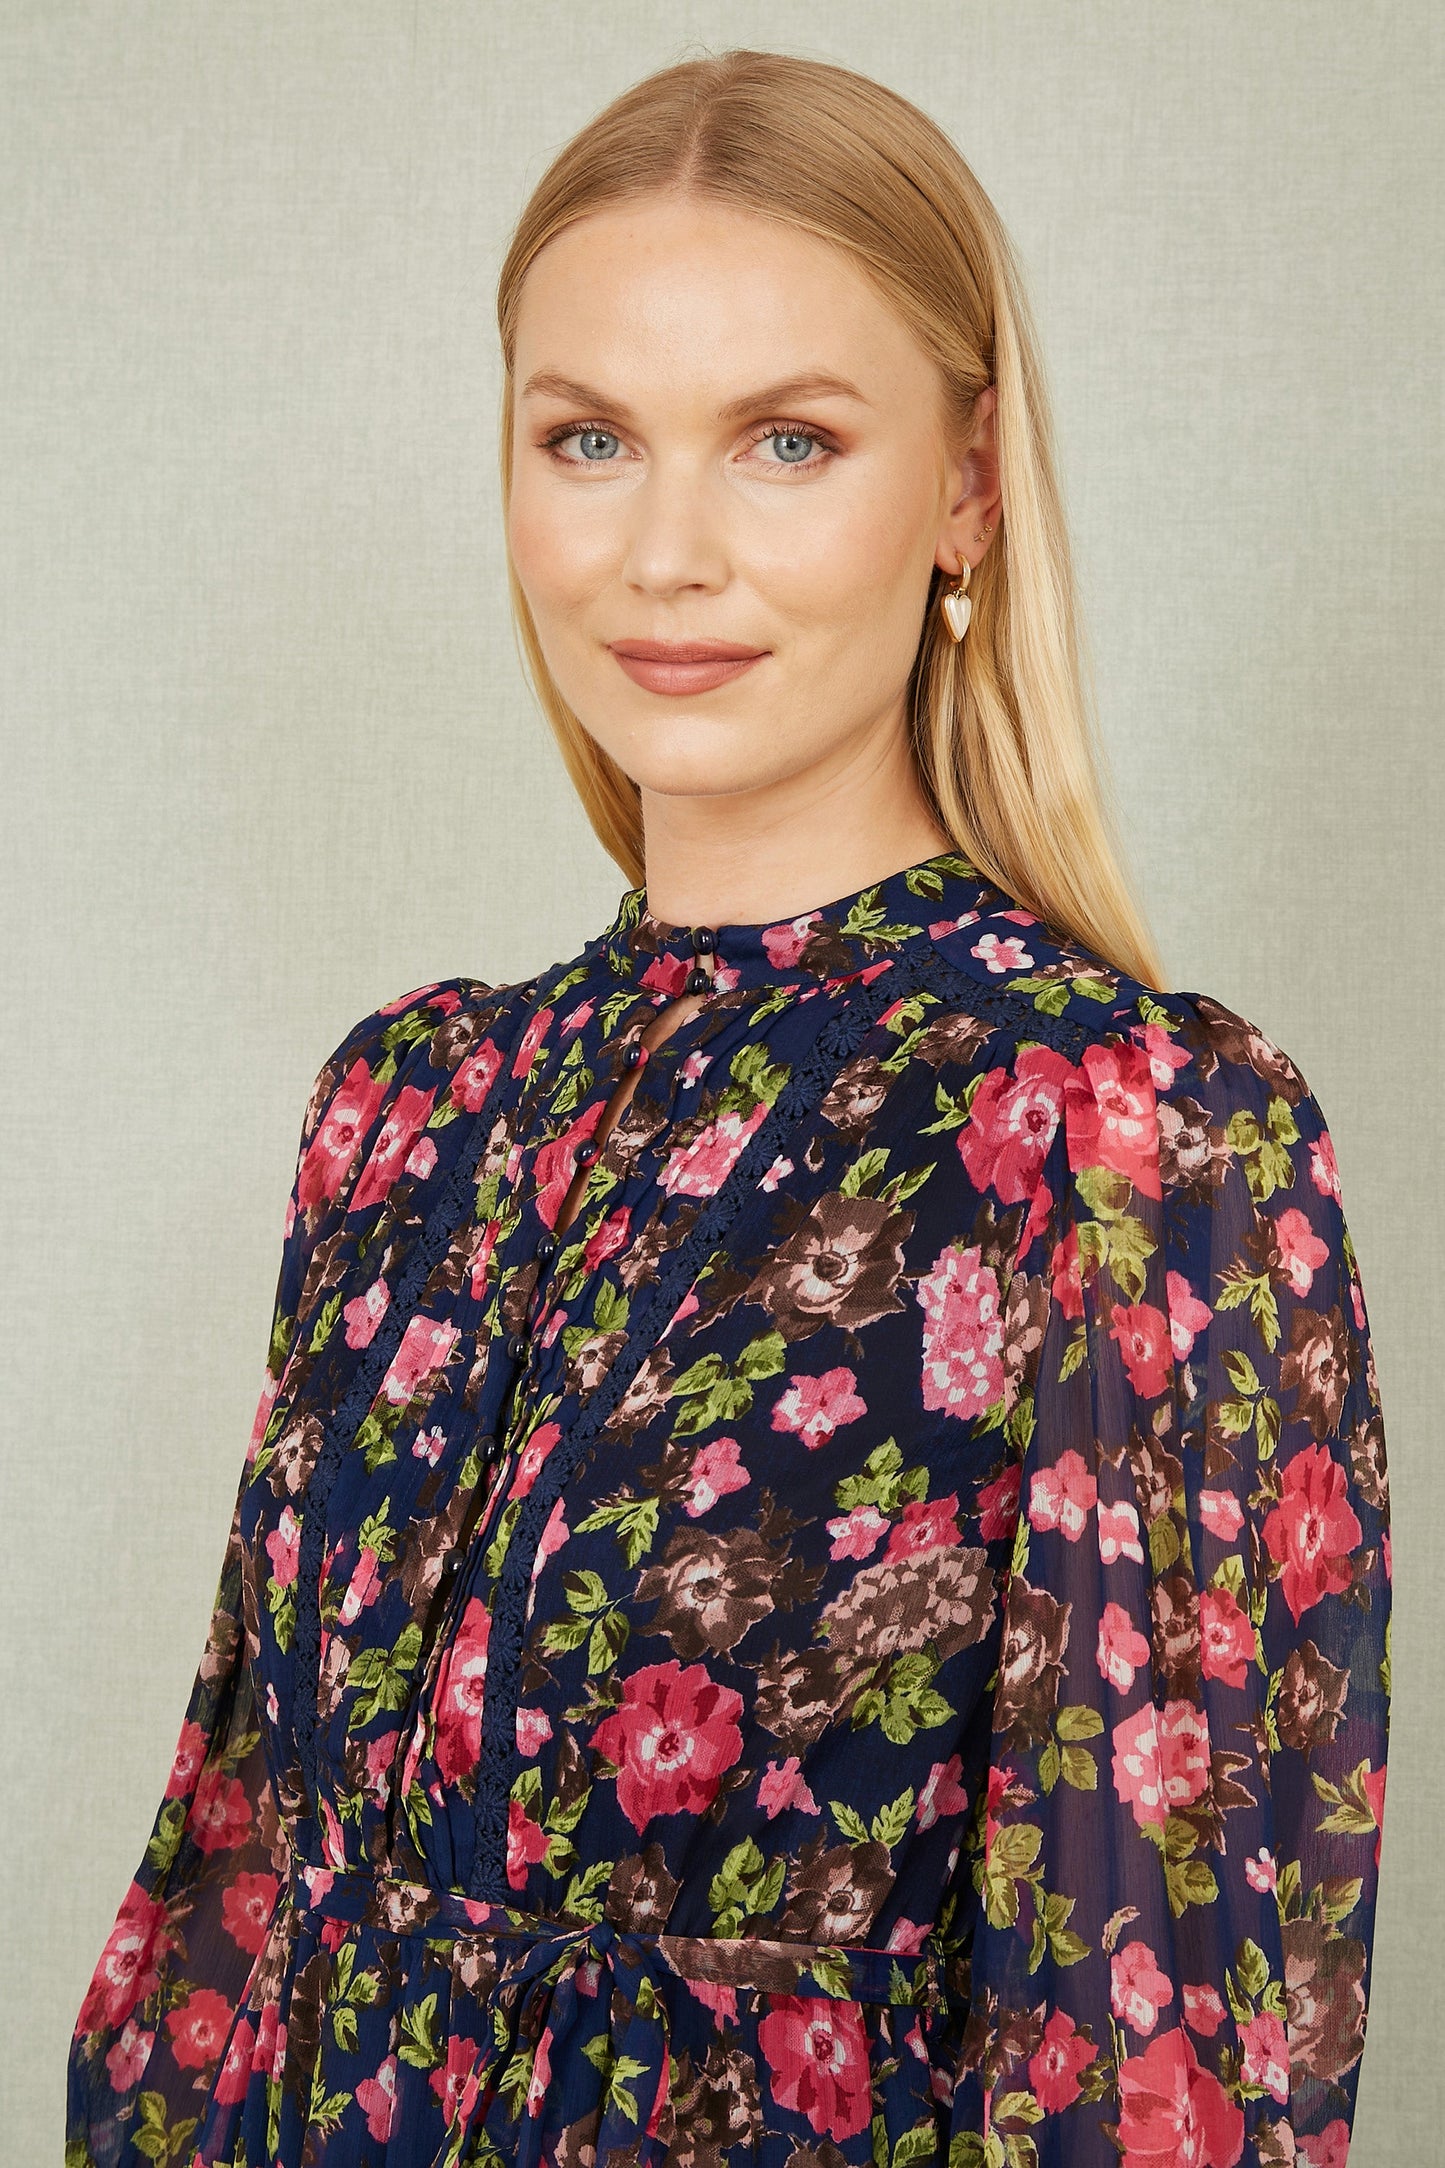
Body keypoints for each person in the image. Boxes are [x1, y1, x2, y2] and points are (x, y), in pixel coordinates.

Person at [68, 48, 1391, 2168]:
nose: (662, 549)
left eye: (788, 440)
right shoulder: (410, 1112)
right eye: (587, 436)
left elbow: (1163, 2055)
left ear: (965, 490)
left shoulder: (1119, 1132)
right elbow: (234, 1890)